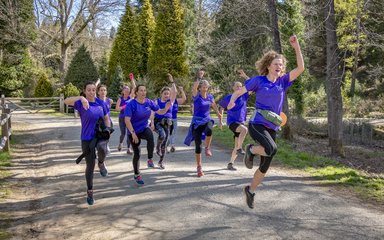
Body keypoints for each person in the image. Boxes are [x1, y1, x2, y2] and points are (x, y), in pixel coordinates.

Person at [227, 35, 304, 209]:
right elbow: (240, 91)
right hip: (257, 124)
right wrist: (232, 100)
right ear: (268, 66)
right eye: (276, 64)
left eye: (281, 64)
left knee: (266, 162)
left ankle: (250, 190)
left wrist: (296, 46)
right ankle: (250, 149)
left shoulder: (283, 82)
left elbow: (301, 68)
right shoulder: (258, 81)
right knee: (271, 149)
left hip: (272, 127)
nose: (280, 66)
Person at [64, 81, 111, 206]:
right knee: (90, 165)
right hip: (86, 137)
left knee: (103, 149)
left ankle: (101, 163)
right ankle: (90, 190)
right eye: (89, 90)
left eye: (93, 90)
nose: (91, 92)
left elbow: (106, 118)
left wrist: (108, 130)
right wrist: (80, 98)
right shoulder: (80, 103)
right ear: (85, 91)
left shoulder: (101, 103)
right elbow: (66, 101)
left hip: (100, 135)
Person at [124, 84, 172, 185]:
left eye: (144, 90)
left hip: (143, 128)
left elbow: (159, 111)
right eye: (141, 91)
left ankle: (150, 159)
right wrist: (133, 133)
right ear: (136, 92)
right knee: (137, 153)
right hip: (132, 131)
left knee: (150, 137)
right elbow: (127, 120)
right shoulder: (131, 104)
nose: (143, 93)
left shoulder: (148, 102)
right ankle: (137, 174)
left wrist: (166, 109)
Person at [184, 69, 223, 177]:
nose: (205, 88)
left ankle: (208, 147)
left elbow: (214, 105)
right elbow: (193, 88)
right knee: (197, 146)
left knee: (210, 130)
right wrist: (199, 78)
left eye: (207, 87)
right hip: (197, 121)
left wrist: (219, 114)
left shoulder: (210, 97)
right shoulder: (196, 96)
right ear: (200, 88)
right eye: (203, 87)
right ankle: (199, 167)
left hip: (206, 119)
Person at [218, 81, 249, 171]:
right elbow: (221, 107)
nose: (239, 88)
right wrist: (220, 121)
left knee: (236, 144)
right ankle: (240, 148)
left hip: (241, 122)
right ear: (233, 88)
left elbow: (251, 85)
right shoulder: (229, 98)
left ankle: (230, 163)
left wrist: (245, 76)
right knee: (244, 130)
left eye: (240, 86)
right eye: (237, 86)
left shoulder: (244, 96)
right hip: (232, 122)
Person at [153, 74, 177, 169]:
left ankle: (161, 161)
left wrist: (172, 81)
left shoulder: (170, 102)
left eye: (168, 94)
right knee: (162, 135)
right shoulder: (157, 101)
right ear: (161, 94)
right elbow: (152, 112)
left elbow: (174, 92)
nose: (167, 95)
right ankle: (157, 147)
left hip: (168, 123)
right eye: (165, 93)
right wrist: (151, 122)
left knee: (165, 142)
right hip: (158, 122)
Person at [115, 73, 136, 154]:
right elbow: (117, 109)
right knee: (123, 133)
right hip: (122, 118)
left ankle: (128, 149)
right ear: (123, 91)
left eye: (128, 89)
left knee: (129, 133)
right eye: (125, 89)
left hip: (129, 118)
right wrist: (124, 106)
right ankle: (120, 143)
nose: (127, 90)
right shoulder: (120, 99)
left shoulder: (130, 97)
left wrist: (132, 79)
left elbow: (134, 88)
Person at [168, 85, 187, 153]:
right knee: (168, 133)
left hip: (174, 119)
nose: (172, 94)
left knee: (174, 132)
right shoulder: (166, 101)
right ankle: (165, 146)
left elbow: (184, 99)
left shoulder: (176, 101)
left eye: (173, 93)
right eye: (171, 92)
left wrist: (181, 90)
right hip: (167, 119)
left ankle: (172, 146)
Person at [97, 83, 113, 155]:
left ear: (106, 92)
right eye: (101, 90)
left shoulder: (109, 101)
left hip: (108, 120)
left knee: (108, 134)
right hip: (99, 121)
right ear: (98, 92)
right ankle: (98, 148)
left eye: (104, 90)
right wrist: (97, 82)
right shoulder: (96, 101)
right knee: (99, 135)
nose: (103, 91)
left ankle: (106, 145)